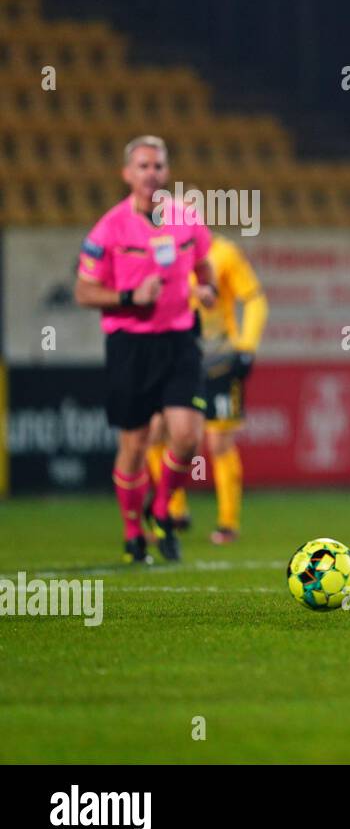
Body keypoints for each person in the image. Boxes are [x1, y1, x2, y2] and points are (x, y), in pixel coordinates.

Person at [74, 135, 215, 563]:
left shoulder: (187, 219)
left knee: (188, 438)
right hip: (131, 345)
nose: (151, 173)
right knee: (134, 445)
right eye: (142, 166)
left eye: (158, 166)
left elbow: (204, 263)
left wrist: (206, 287)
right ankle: (133, 534)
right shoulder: (109, 228)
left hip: (179, 338)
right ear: (127, 174)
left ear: (167, 172)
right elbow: (83, 291)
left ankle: (160, 510)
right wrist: (131, 296)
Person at [147, 233, 267, 545]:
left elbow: (254, 298)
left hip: (218, 360)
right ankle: (174, 512)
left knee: (218, 443)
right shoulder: (161, 252)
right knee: (157, 432)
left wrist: (247, 346)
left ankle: (228, 522)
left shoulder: (224, 253)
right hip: (174, 357)